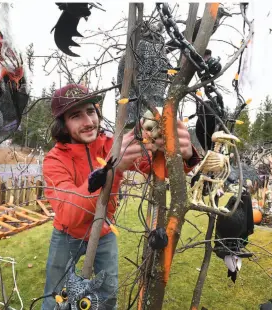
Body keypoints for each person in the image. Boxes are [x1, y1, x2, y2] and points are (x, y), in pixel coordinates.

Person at [41, 84, 200, 310]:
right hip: (68, 236)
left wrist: (182, 153)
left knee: (108, 296)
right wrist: (112, 169)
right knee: (55, 296)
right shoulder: (54, 160)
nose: (88, 121)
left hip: (104, 233)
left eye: (91, 111)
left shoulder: (110, 144)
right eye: (76, 116)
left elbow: (153, 165)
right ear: (63, 125)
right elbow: (69, 213)